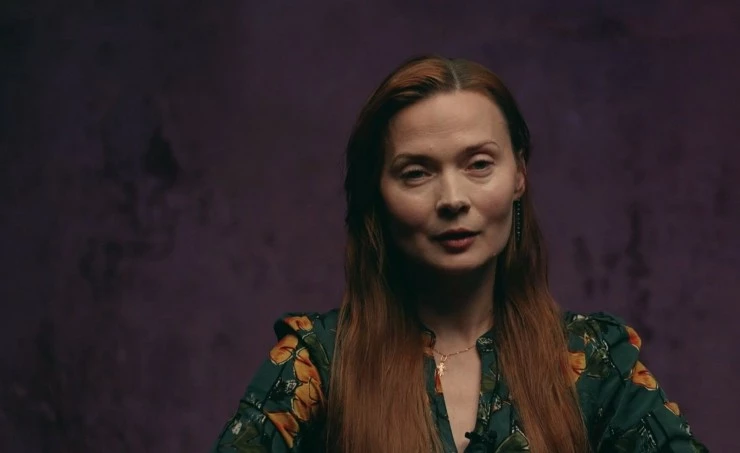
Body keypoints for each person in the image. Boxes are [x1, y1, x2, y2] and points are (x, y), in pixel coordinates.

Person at [211, 55, 708, 453]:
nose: (452, 199)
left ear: (519, 175)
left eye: (479, 164)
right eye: (416, 173)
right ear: (377, 195)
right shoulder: (318, 362)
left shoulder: (594, 360)